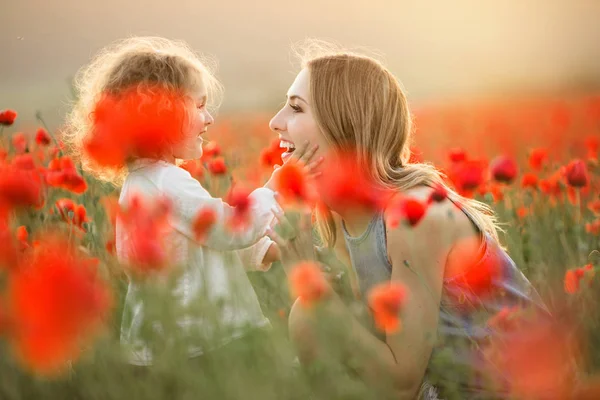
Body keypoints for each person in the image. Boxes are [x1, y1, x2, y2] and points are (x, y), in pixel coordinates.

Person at [267, 40, 547, 400]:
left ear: (345, 125)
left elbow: (401, 384)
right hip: (437, 387)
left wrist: (312, 285)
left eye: (295, 108)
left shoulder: (416, 213)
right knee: (306, 319)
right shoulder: (336, 215)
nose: (276, 122)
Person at [62, 36, 321, 368]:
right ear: (160, 113)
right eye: (199, 106)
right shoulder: (166, 182)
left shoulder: (145, 181)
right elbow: (227, 230)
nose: (210, 118)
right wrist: (278, 185)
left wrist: (266, 250)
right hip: (202, 344)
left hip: (168, 345)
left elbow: (201, 241)